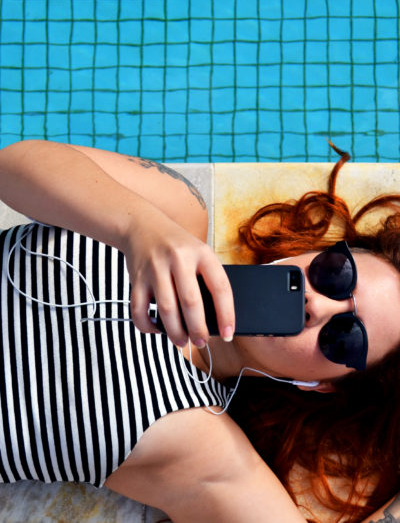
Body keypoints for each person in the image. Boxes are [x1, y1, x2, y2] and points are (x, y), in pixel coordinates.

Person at [0, 140, 398, 523]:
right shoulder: (176, 210)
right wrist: (138, 227)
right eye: (335, 273)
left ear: (325, 385)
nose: (317, 306)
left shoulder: (204, 444)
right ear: (310, 253)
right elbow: (11, 165)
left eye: (345, 337)